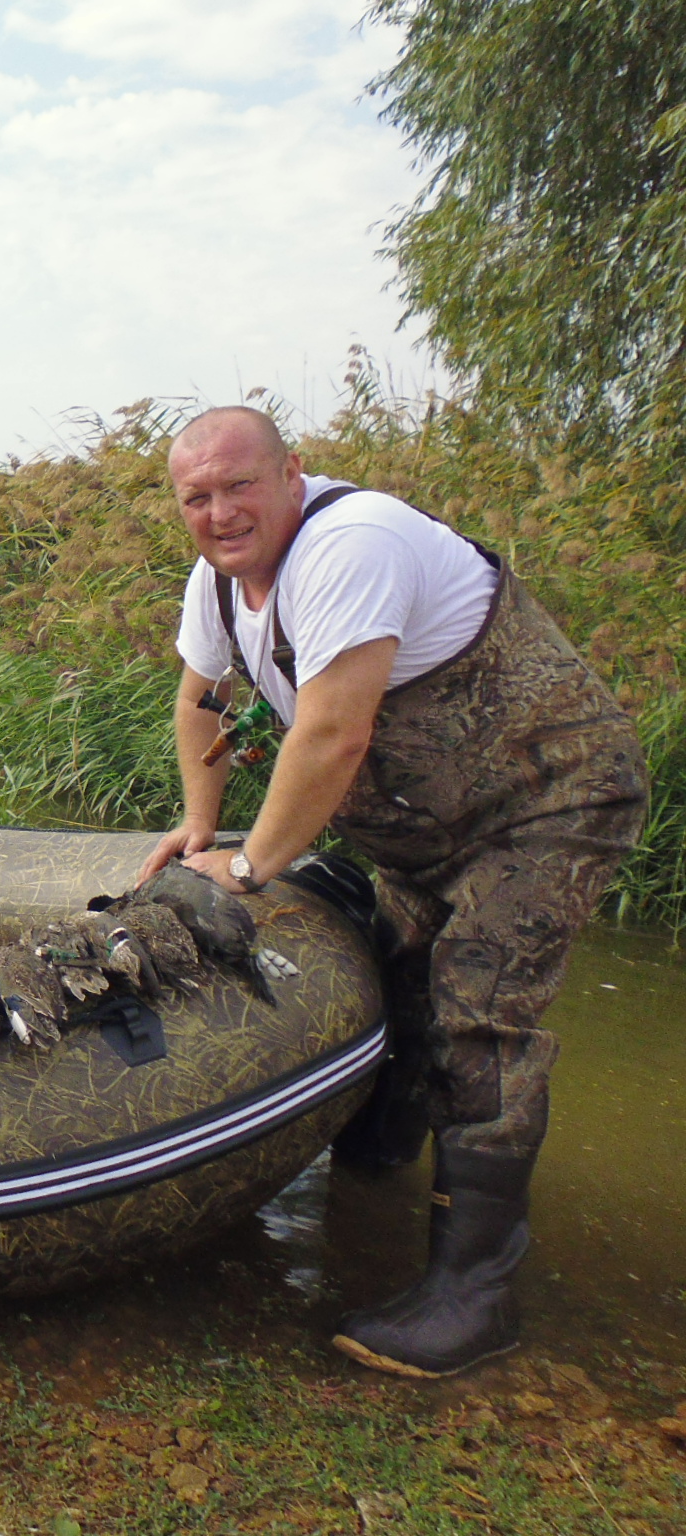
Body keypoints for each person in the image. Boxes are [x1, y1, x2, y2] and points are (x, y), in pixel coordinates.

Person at [137, 406, 647, 1379]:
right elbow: (202, 699)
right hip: (423, 827)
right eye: (195, 496)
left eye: (238, 486)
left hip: (545, 798)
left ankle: (476, 1296)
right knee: (400, 976)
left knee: (477, 1010)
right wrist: (201, 827)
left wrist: (248, 868)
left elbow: (334, 734)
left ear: (291, 473)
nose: (219, 512)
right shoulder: (218, 583)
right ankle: (376, 1164)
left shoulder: (351, 544)